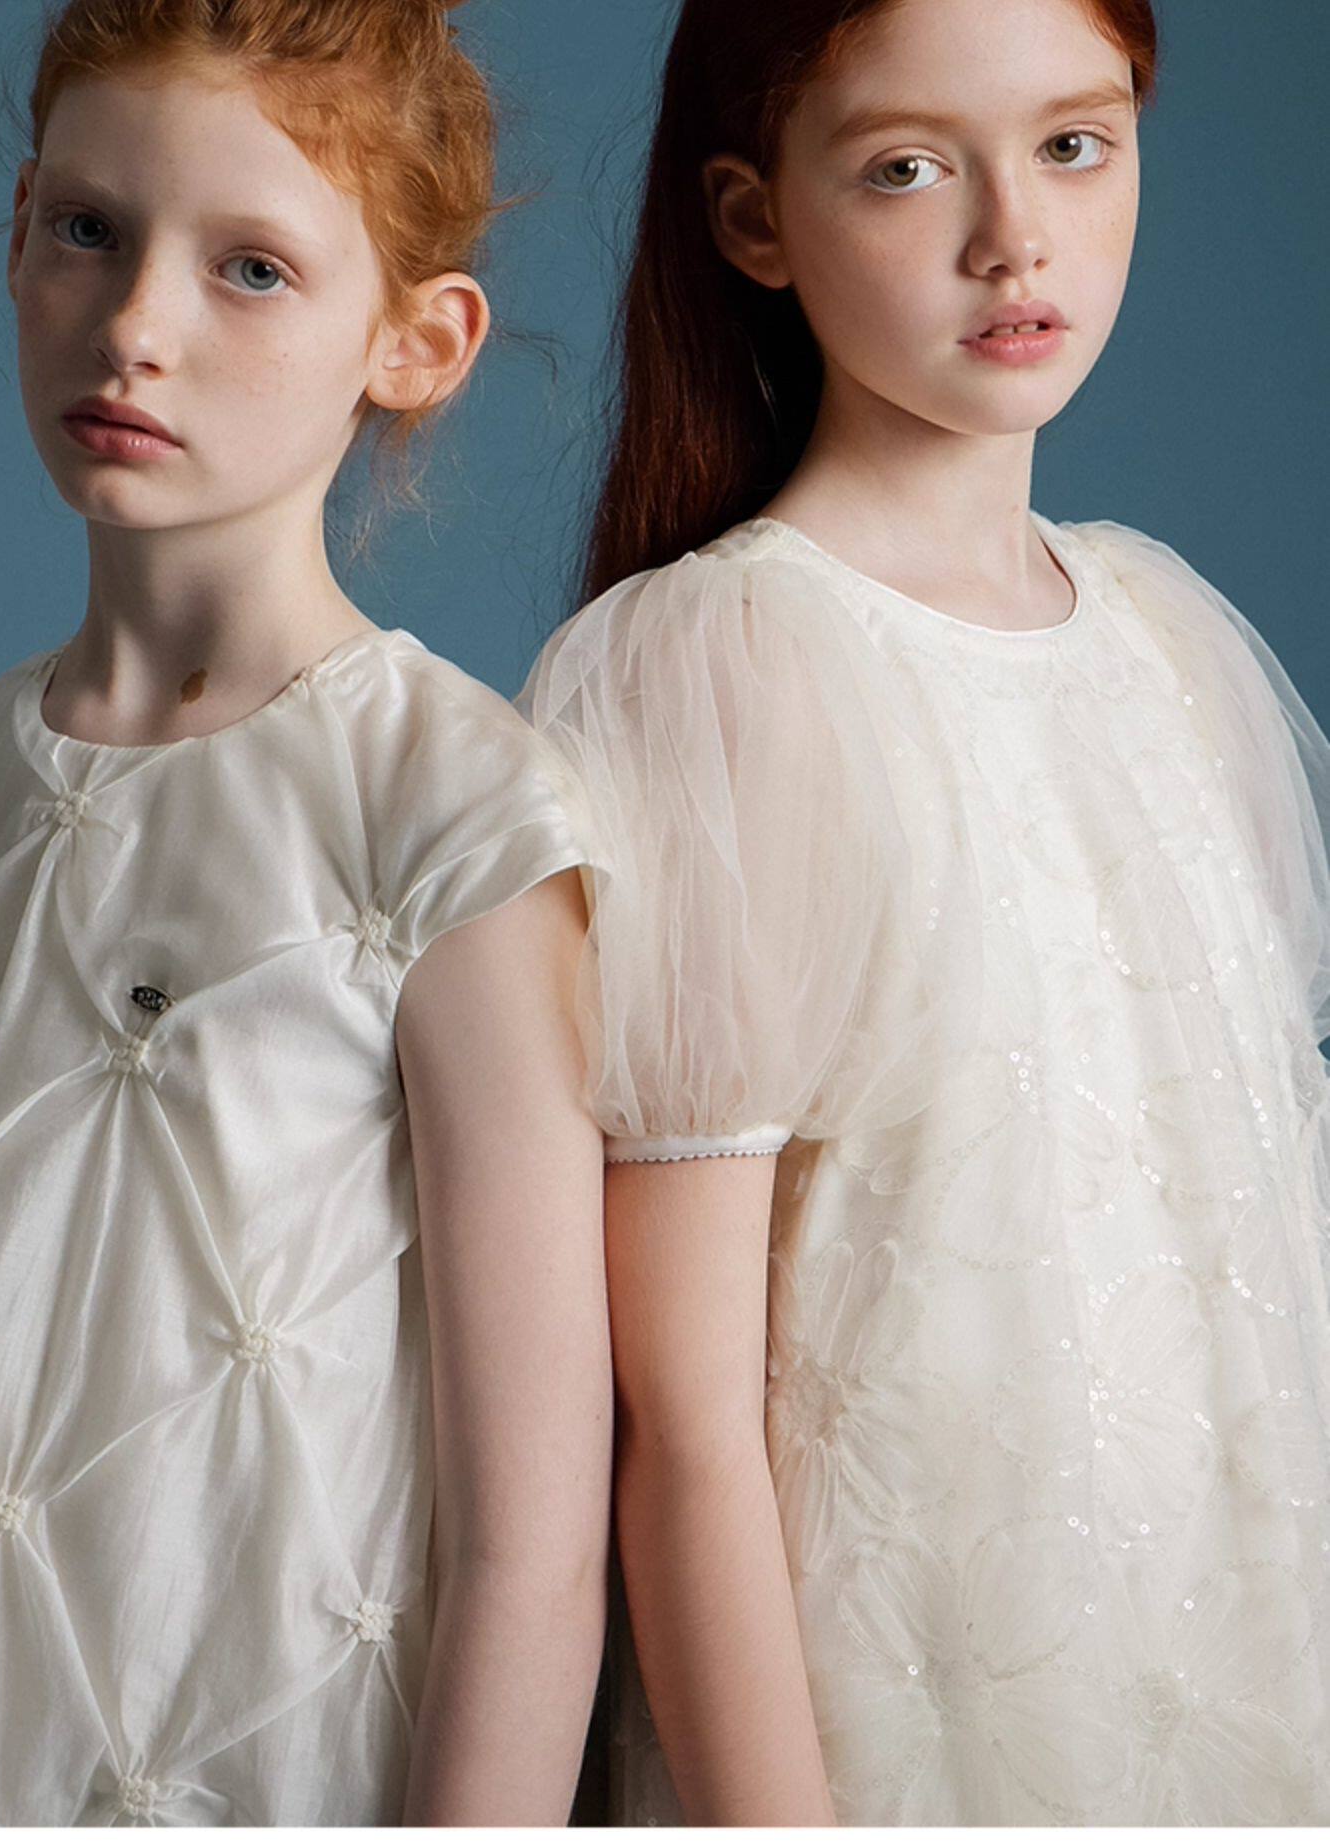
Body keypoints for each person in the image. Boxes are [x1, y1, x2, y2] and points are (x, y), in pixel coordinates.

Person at [519, 0, 1330, 1823]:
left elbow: (1263, 1275)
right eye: (905, 169)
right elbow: (683, 1419)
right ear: (755, 219)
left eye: (1075, 145)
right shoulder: (725, 664)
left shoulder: (1167, 643)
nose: (1014, 239)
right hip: (899, 1739)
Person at [0, 0, 611, 1824]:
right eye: (90, 230)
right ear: (19, 232)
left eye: (251, 268)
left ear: (415, 342)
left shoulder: (452, 816)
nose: (135, 326)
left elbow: (533, 1546)